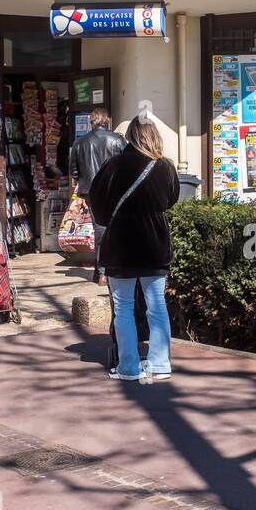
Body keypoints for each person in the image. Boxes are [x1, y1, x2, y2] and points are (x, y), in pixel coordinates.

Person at [88, 101, 180, 381]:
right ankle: (160, 363)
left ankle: (128, 366)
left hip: (121, 246)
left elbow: (98, 203)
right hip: (155, 244)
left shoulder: (113, 166)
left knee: (124, 307)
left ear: (129, 137)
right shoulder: (165, 167)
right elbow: (171, 199)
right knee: (157, 305)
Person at [68, 106, 126, 284]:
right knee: (111, 229)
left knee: (100, 228)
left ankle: (101, 271)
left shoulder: (80, 142)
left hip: (91, 192)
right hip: (114, 191)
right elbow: (127, 166)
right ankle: (105, 271)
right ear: (107, 121)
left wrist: (83, 182)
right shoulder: (117, 140)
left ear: (91, 122)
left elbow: (73, 170)